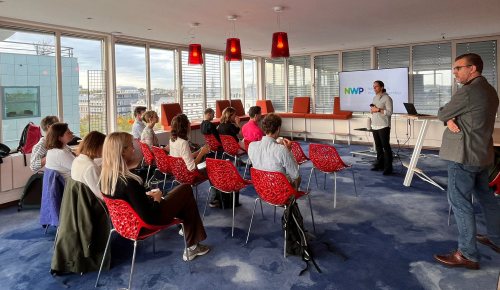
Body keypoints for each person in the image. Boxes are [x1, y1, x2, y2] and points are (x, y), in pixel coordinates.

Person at [434, 53, 500, 270]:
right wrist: (452, 118)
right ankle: (497, 239)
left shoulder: (468, 92)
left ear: (472, 69)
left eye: (458, 68)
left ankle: (468, 254)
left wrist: (449, 117)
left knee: (460, 202)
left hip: (463, 155)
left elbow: (442, 111)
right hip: (482, 154)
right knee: (488, 199)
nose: (455, 72)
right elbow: (462, 116)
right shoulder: (490, 90)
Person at [100, 132, 209, 261]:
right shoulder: (129, 182)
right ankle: (191, 245)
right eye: (130, 146)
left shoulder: (105, 179)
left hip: (126, 225)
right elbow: (149, 216)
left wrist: (145, 196)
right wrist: (157, 199)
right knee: (186, 190)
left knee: (182, 195)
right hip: (148, 221)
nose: (133, 148)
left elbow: (128, 201)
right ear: (122, 151)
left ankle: (190, 239)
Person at [248, 113, 300, 189]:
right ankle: (291, 200)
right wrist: (289, 151)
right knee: (297, 178)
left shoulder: (251, 146)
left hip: (262, 188)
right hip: (278, 190)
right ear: (278, 129)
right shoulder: (282, 150)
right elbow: (295, 175)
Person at [71, 131, 106, 200]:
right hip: (94, 205)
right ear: (96, 147)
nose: (106, 150)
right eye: (104, 146)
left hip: (82, 201)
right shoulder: (91, 167)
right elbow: (102, 196)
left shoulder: (77, 160)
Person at [369, 80, 393, 175]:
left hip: (383, 125)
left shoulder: (387, 98)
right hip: (374, 125)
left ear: (382, 87)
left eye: (376, 87)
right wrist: (372, 110)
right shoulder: (374, 98)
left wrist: (378, 109)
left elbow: (390, 112)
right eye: (373, 87)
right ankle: (380, 164)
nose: (374, 88)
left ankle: (388, 168)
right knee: (378, 147)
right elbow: (375, 109)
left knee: (386, 147)